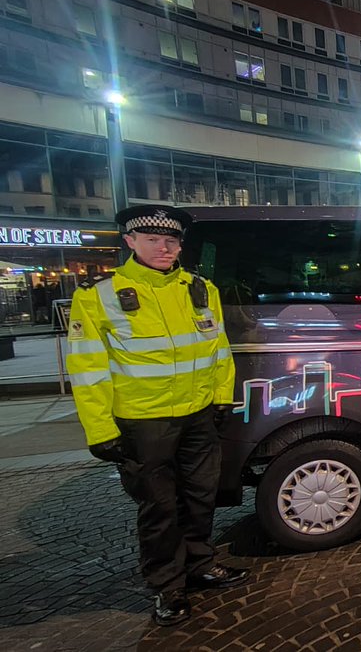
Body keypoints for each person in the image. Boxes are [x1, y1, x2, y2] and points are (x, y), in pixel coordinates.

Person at [65, 204, 245, 627]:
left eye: (172, 241)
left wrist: (221, 398)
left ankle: (200, 563)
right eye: (153, 240)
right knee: (158, 508)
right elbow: (87, 369)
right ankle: (168, 586)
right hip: (144, 422)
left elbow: (219, 350)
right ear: (130, 242)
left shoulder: (200, 289)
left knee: (201, 497)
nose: (164, 249)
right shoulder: (98, 295)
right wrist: (100, 430)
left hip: (198, 414)